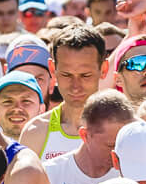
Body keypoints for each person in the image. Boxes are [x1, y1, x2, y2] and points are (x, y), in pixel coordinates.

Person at [21, 25, 107, 163]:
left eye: (85, 75)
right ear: (52, 69)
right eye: (66, 75)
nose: (75, 87)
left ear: (103, 69)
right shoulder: (35, 132)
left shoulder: (122, 129)